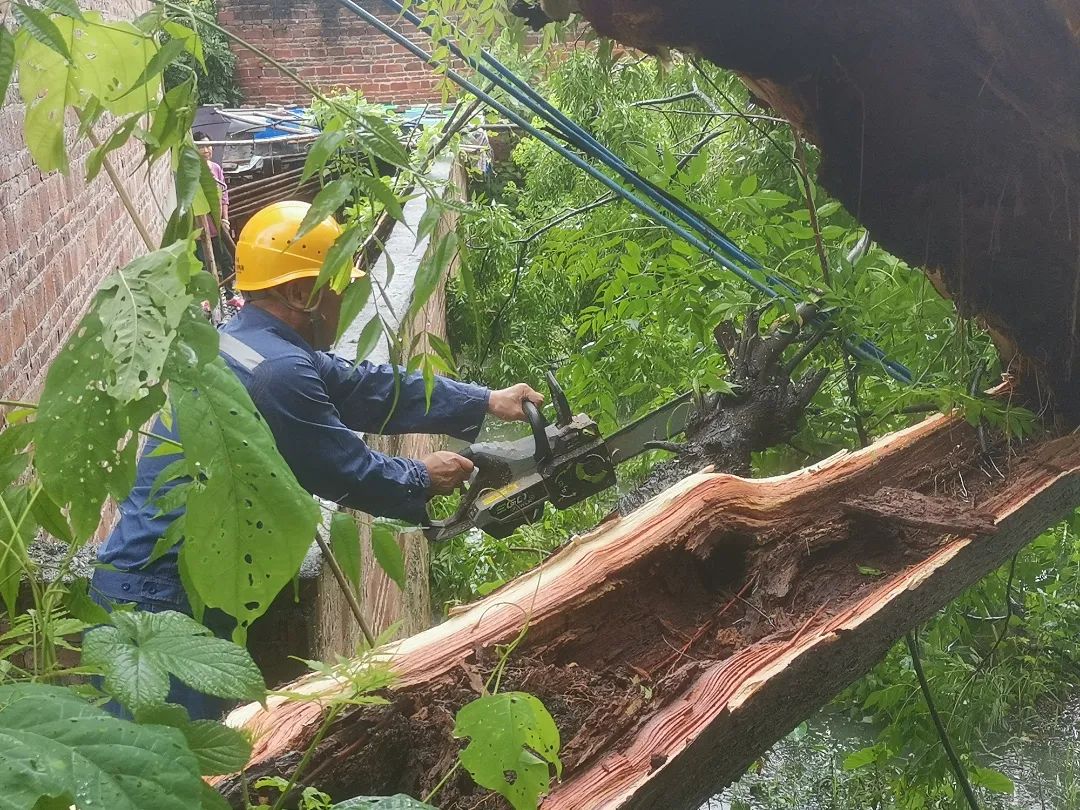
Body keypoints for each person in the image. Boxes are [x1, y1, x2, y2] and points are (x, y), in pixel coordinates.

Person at [90, 200, 543, 718]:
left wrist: (483, 400)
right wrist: (421, 476)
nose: (345, 298)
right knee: (162, 768)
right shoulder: (276, 373)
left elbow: (365, 388)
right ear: (301, 293)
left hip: (164, 581)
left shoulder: (244, 341)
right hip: (164, 596)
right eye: (338, 286)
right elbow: (343, 470)